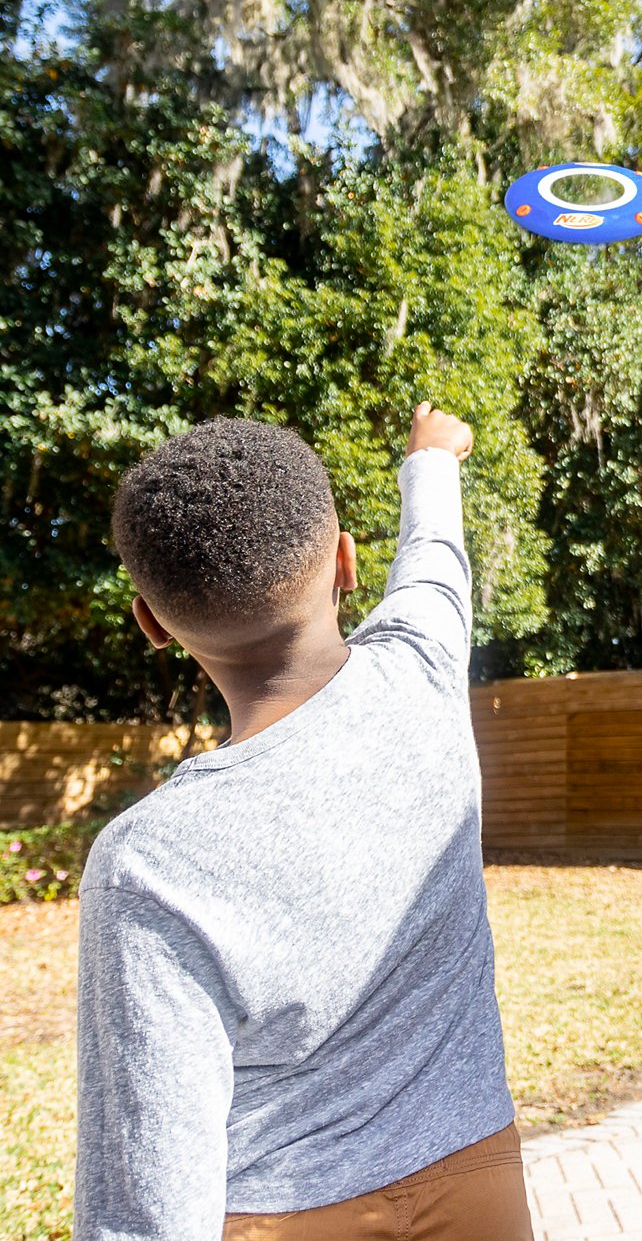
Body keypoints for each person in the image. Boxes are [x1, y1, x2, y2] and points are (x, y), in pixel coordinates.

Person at [75, 405, 534, 1241]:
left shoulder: (143, 865)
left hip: (277, 1215)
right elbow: (435, 554)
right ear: (346, 563)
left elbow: (146, 1182)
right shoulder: (424, 673)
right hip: (479, 1179)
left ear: (151, 623)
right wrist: (432, 453)